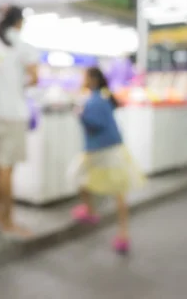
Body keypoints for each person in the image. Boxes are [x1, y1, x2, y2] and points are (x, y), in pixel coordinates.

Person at [71, 67, 145, 255]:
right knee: (118, 192)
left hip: (98, 149)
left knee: (78, 176)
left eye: (84, 76)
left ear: (92, 80)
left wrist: (80, 115)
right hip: (115, 148)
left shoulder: (92, 101)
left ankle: (90, 210)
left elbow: (95, 124)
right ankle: (123, 234)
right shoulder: (105, 98)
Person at [0, 5, 39, 238]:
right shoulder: (23, 47)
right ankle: (8, 221)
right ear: (19, 22)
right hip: (13, 114)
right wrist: (18, 84)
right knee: (7, 170)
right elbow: (34, 78)